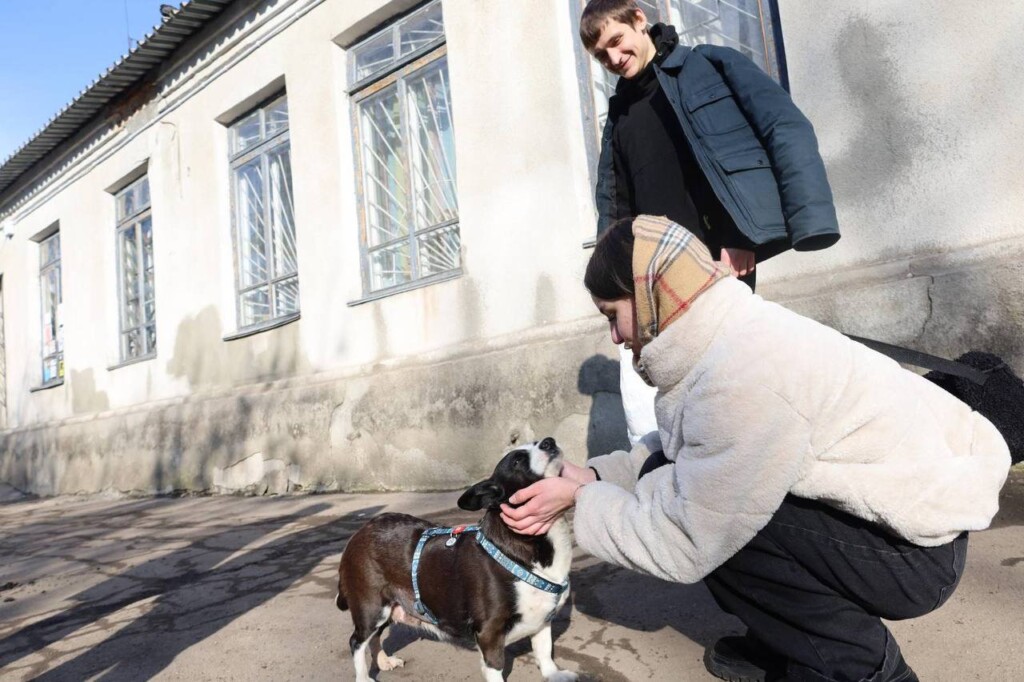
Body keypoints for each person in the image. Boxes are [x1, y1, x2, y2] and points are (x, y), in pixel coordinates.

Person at [501, 215, 1011, 682]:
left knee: (727, 525)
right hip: (897, 527)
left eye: (614, 315)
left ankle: (865, 669)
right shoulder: (717, 336)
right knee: (702, 490)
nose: (615, 337)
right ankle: (792, 645)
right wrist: (595, 478)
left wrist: (578, 504)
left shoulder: (743, 376)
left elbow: (684, 539)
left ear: (652, 293)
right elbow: (684, 452)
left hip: (916, 556)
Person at [579, 0, 840, 445]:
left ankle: (764, 470)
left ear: (640, 19)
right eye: (602, 56)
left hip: (718, 260)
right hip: (653, 277)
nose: (614, 59)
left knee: (731, 379)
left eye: (617, 42)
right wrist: (616, 282)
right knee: (665, 399)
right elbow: (617, 207)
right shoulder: (619, 117)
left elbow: (783, 126)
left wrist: (742, 239)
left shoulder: (710, 66)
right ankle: (675, 485)